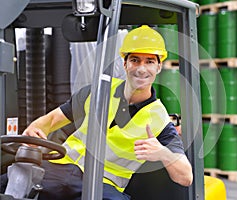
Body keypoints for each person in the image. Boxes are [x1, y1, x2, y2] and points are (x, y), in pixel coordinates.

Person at [1, 25, 193, 200]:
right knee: (11, 180)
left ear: (158, 67)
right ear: (125, 64)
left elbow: (186, 177)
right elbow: (51, 120)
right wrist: (34, 129)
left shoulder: (160, 119)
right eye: (135, 60)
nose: (141, 69)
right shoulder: (96, 91)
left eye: (149, 61)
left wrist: (163, 153)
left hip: (104, 185)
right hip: (60, 169)